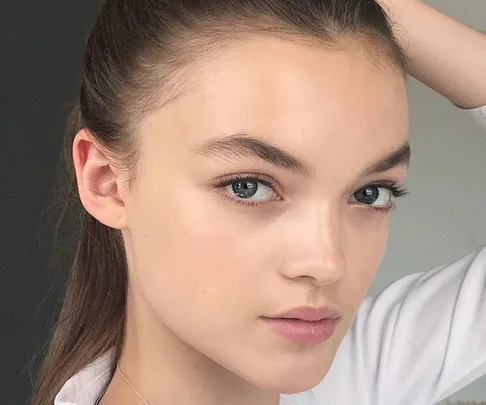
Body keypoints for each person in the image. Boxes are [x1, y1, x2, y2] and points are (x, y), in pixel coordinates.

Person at [29, 0, 485, 404]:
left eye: (369, 193)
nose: (327, 263)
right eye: (248, 186)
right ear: (106, 181)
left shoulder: (365, 375)